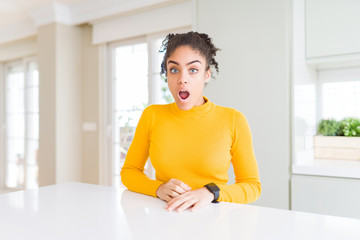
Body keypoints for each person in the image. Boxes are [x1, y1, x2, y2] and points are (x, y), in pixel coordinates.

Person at [121, 31, 261, 212]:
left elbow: (252, 186)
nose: (182, 79)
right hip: (165, 217)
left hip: (213, 219)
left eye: (193, 70)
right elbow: (129, 172)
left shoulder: (233, 120)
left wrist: (211, 193)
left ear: (207, 75)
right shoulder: (152, 115)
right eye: (174, 69)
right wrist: (158, 188)